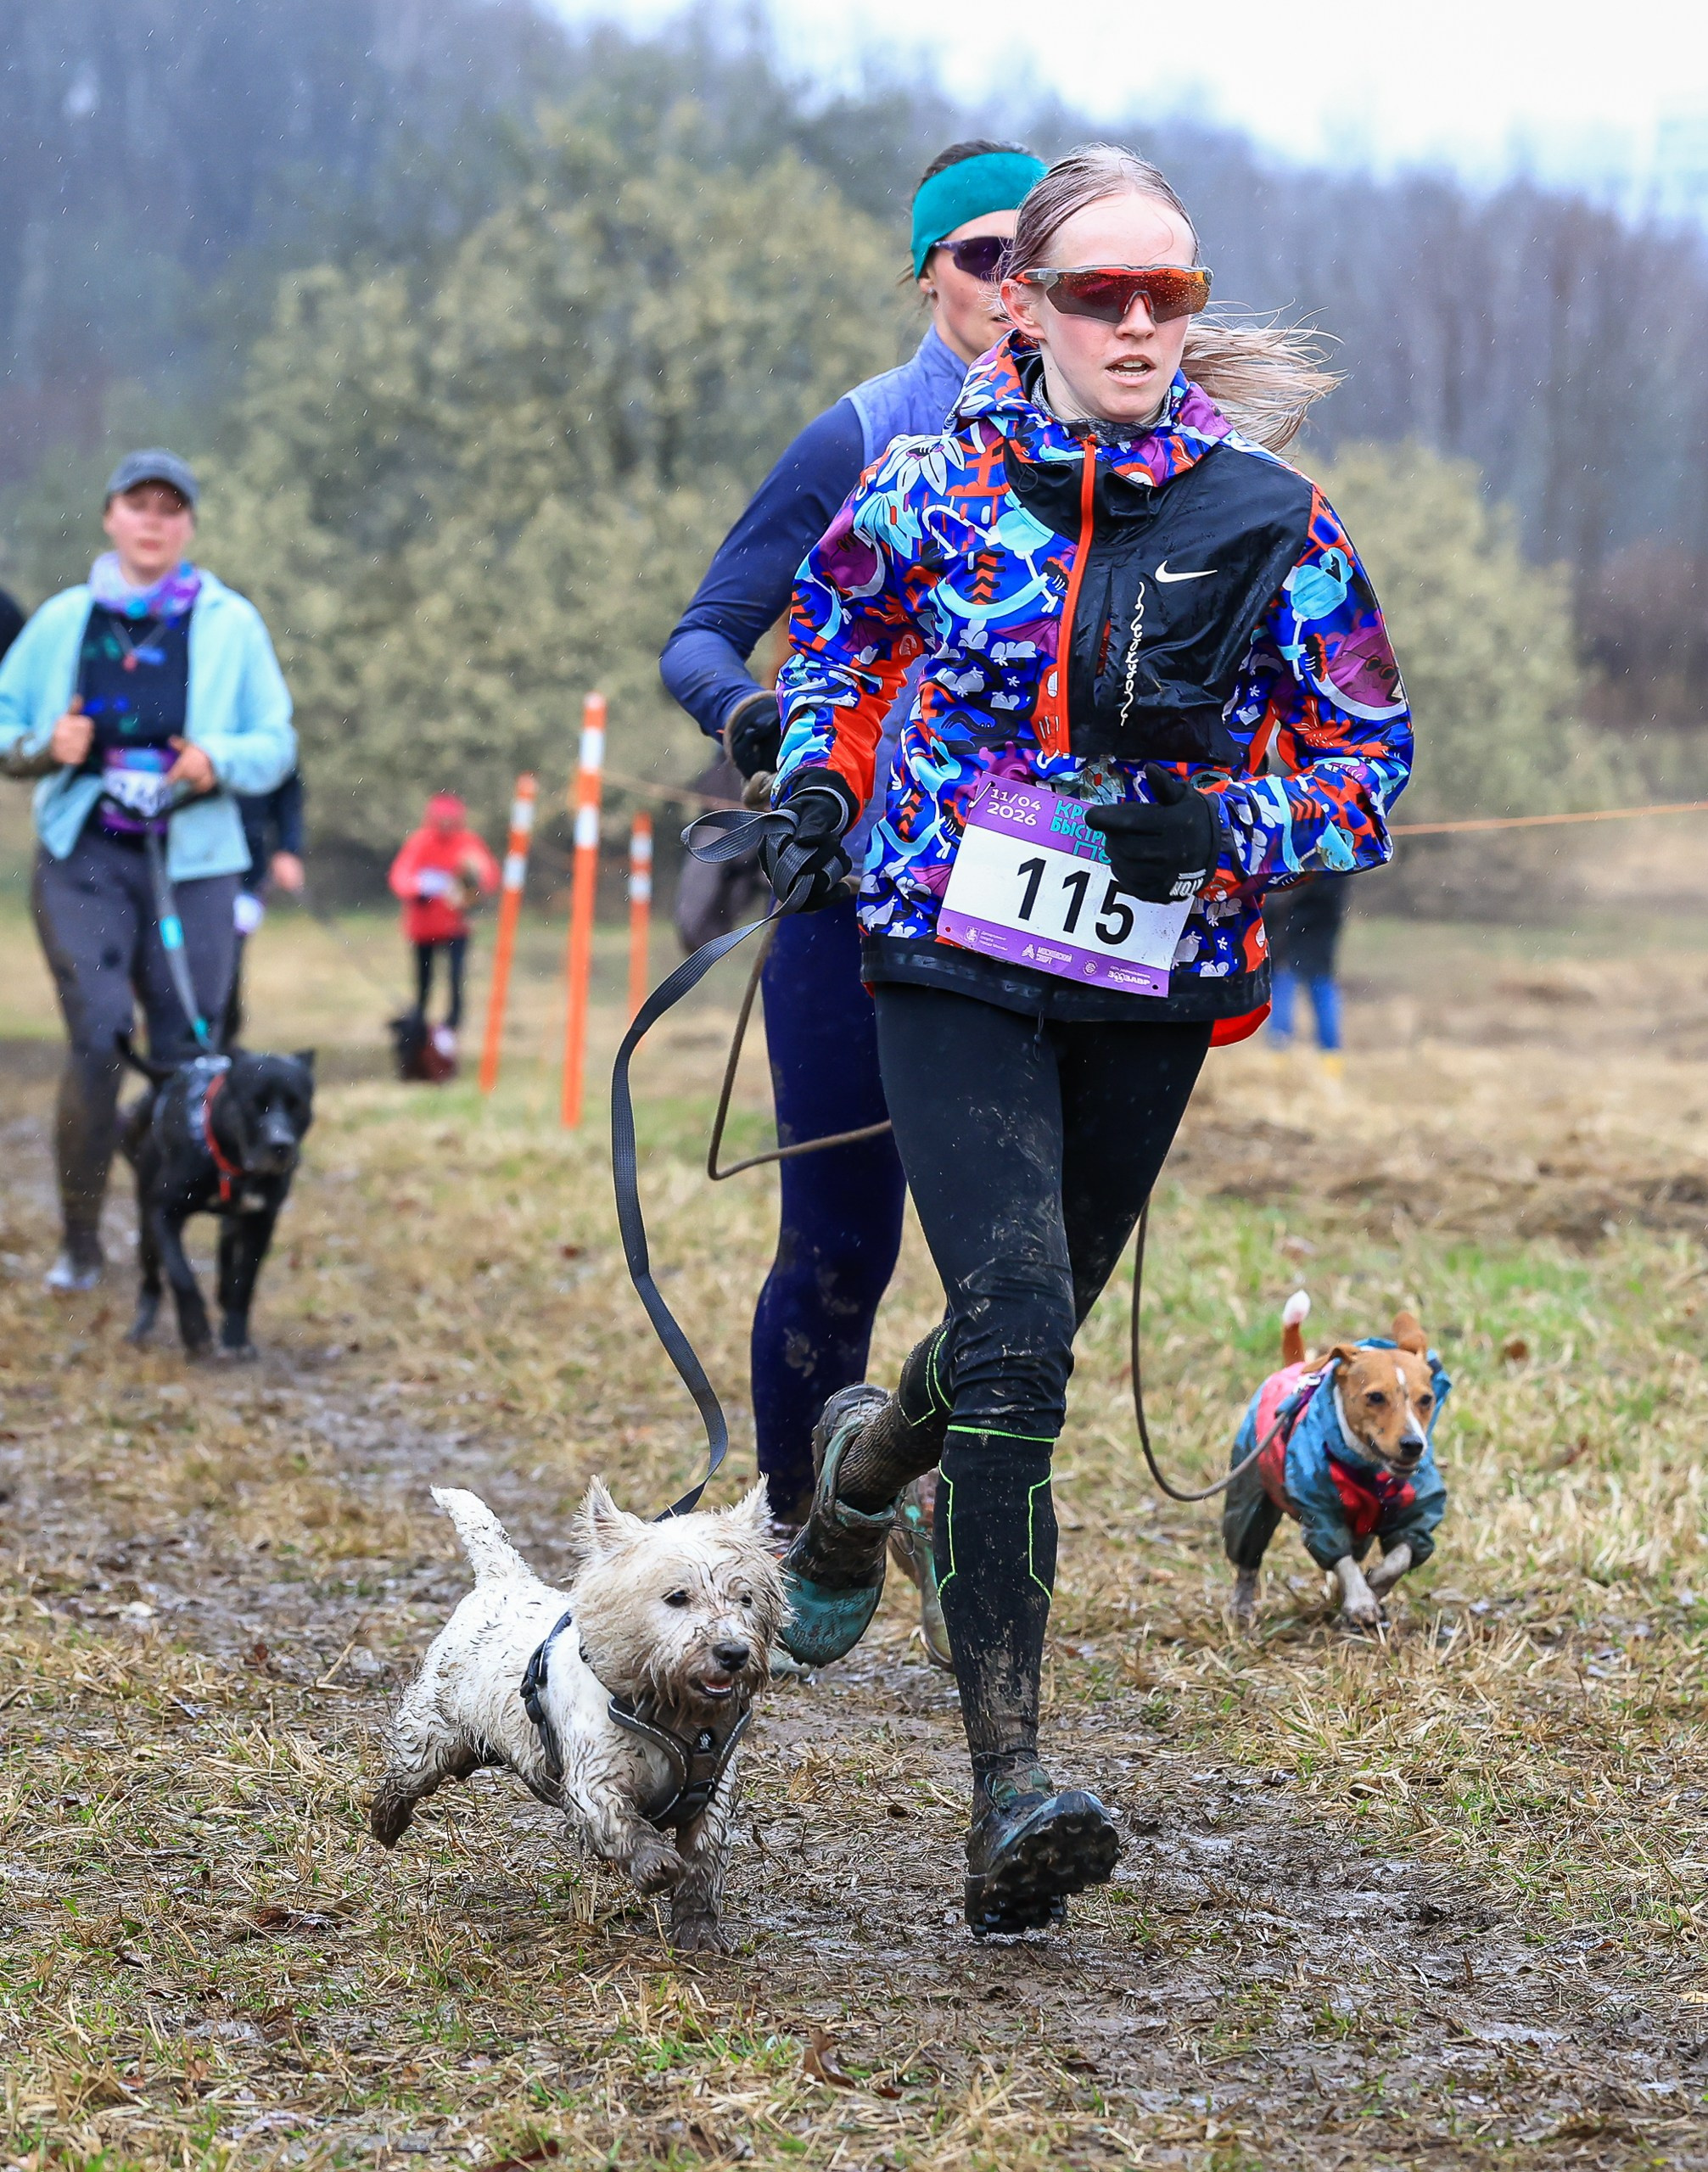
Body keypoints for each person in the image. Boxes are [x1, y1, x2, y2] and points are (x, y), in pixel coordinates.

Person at [759, 144, 1413, 1933]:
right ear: (1026, 304)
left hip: (1149, 977)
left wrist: (1228, 831)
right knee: (1026, 1331)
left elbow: (1367, 763)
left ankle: (858, 1473)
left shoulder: (1268, 512)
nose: (1136, 323)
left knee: (991, 1338)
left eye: (1168, 296)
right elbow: (824, 648)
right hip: (947, 947)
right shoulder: (927, 484)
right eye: (1100, 293)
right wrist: (816, 779)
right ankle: (1006, 1788)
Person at [661, 139, 1047, 1658]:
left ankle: (936, 1522)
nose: (1010, 289)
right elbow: (705, 635)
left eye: (1040, 263)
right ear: (929, 275)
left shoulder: (1113, 451)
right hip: (851, 898)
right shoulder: (859, 436)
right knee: (838, 1246)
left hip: (1022, 909)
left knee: (1014, 1269)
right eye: (980, 259)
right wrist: (761, 726)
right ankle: (789, 1538)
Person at [0, 449, 295, 1292]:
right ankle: (81, 1239)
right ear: (111, 516)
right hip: (85, 855)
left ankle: (161, 1239)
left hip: (194, 858)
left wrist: (216, 761)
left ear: (189, 525)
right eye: (139, 505)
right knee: (98, 1038)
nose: (154, 521)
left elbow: (275, 744)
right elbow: (5, 719)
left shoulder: (231, 622)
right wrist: (37, 746)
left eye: (171, 508)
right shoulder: (62, 622)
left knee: (185, 1058)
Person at [387, 792, 499, 1059]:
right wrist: (417, 889)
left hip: (455, 927)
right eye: (442, 820)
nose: (447, 825)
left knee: (456, 978)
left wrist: (475, 885)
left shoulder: (469, 844)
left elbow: (488, 875)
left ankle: (451, 1027)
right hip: (423, 928)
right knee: (424, 983)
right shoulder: (420, 842)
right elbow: (401, 876)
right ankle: (418, 1032)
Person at [223, 769, 305, 1047]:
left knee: (228, 961)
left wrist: (288, 848)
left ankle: (222, 1039)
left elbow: (288, 795)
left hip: (247, 872)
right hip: (179, 866)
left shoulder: (273, 743)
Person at [1264, 871, 1352, 1077]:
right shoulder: (1340, 857)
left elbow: (1283, 899)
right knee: (1319, 990)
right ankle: (1329, 1062)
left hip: (1296, 934)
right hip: (1316, 934)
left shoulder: (1303, 855)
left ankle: (1280, 1057)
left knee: (1289, 989)